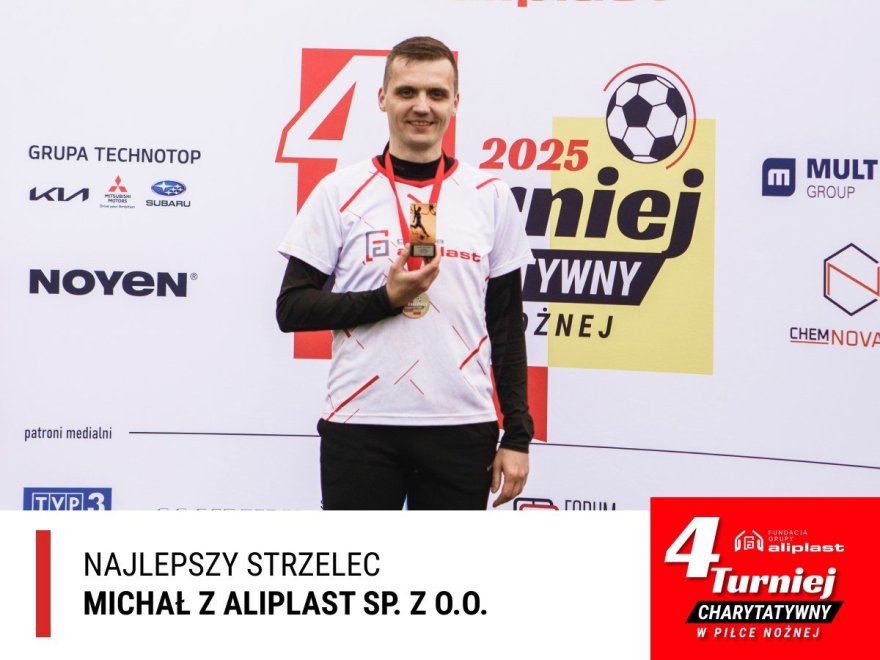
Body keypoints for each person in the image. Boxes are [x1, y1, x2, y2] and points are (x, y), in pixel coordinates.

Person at [276, 36, 534, 510]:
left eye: (436, 94)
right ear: (382, 98)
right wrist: (384, 300)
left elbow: (505, 325)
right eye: (407, 91)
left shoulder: (490, 196)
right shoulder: (339, 191)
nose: (421, 106)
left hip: (461, 426)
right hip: (360, 424)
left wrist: (517, 435)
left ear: (455, 102)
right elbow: (291, 309)